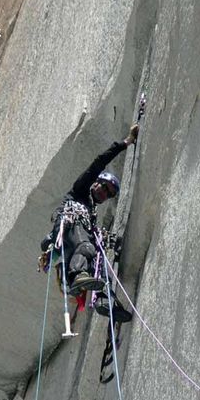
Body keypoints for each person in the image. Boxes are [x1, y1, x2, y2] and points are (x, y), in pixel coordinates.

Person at [39, 124, 139, 296]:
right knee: (87, 247)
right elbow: (98, 163)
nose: (104, 193)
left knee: (97, 258)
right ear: (96, 182)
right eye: (104, 187)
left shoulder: (91, 214)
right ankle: (77, 275)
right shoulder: (80, 190)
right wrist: (126, 142)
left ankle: (105, 300)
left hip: (74, 240)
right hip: (68, 225)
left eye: (109, 194)